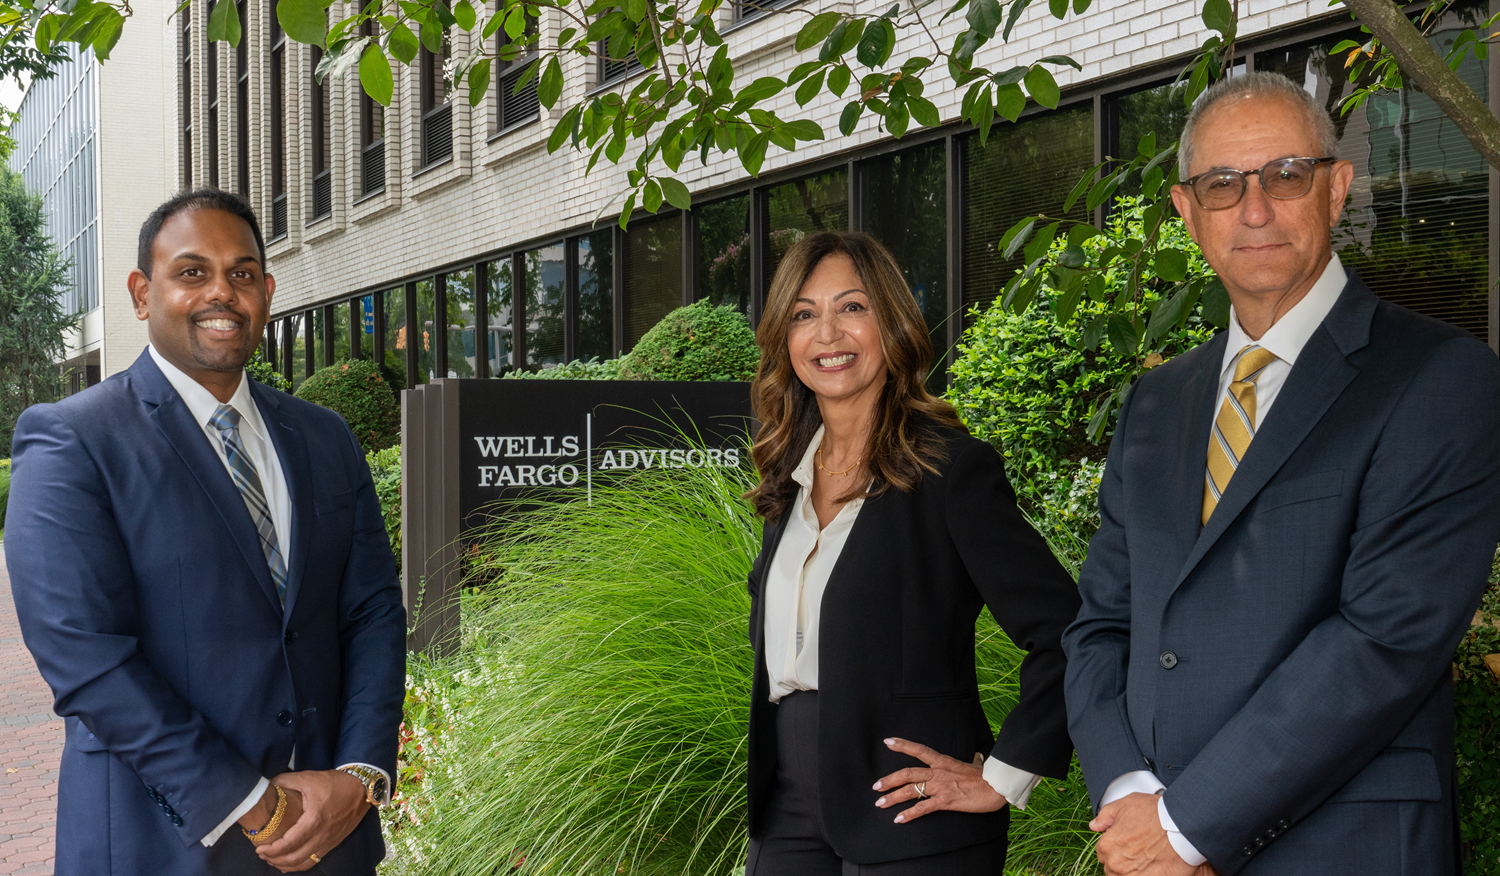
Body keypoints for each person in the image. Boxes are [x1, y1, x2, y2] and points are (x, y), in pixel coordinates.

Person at [1063, 71, 1500, 876]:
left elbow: (1383, 641)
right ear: (1187, 213)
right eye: (1222, 184)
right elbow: (1101, 625)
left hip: (1344, 848)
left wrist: (1185, 827)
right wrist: (1130, 792)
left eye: (1284, 176)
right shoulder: (1155, 404)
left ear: (1335, 190)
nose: (1254, 209)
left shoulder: (1440, 378)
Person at [4, 190, 406, 875]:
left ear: (267, 292)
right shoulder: (74, 440)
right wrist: (249, 802)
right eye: (192, 272)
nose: (222, 292)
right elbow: (86, 659)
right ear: (141, 292)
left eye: (242, 273)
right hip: (160, 844)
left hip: (330, 838)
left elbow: (371, 612)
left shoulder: (324, 437)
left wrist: (359, 774)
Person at [741, 231, 1082, 874]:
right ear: (785, 341)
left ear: (892, 325)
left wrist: (1004, 777)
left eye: (853, 308)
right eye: (804, 314)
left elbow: (1069, 630)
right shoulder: (790, 481)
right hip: (787, 808)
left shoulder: (951, 470)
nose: (828, 334)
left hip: (914, 818)